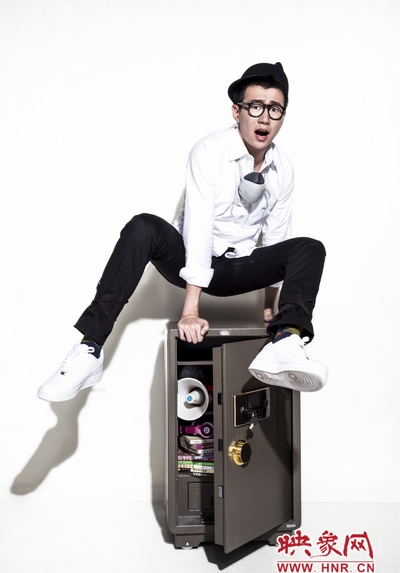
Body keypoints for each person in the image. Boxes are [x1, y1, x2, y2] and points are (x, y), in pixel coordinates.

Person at [38, 62, 327, 403]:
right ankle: (90, 348)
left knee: (310, 248)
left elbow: (276, 239)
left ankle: (286, 339)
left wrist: (269, 307)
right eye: (255, 107)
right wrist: (191, 311)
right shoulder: (209, 151)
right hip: (188, 258)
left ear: (283, 116)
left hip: (238, 268)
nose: (264, 118)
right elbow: (199, 227)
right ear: (236, 111)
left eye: (274, 109)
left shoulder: (283, 169)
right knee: (143, 225)